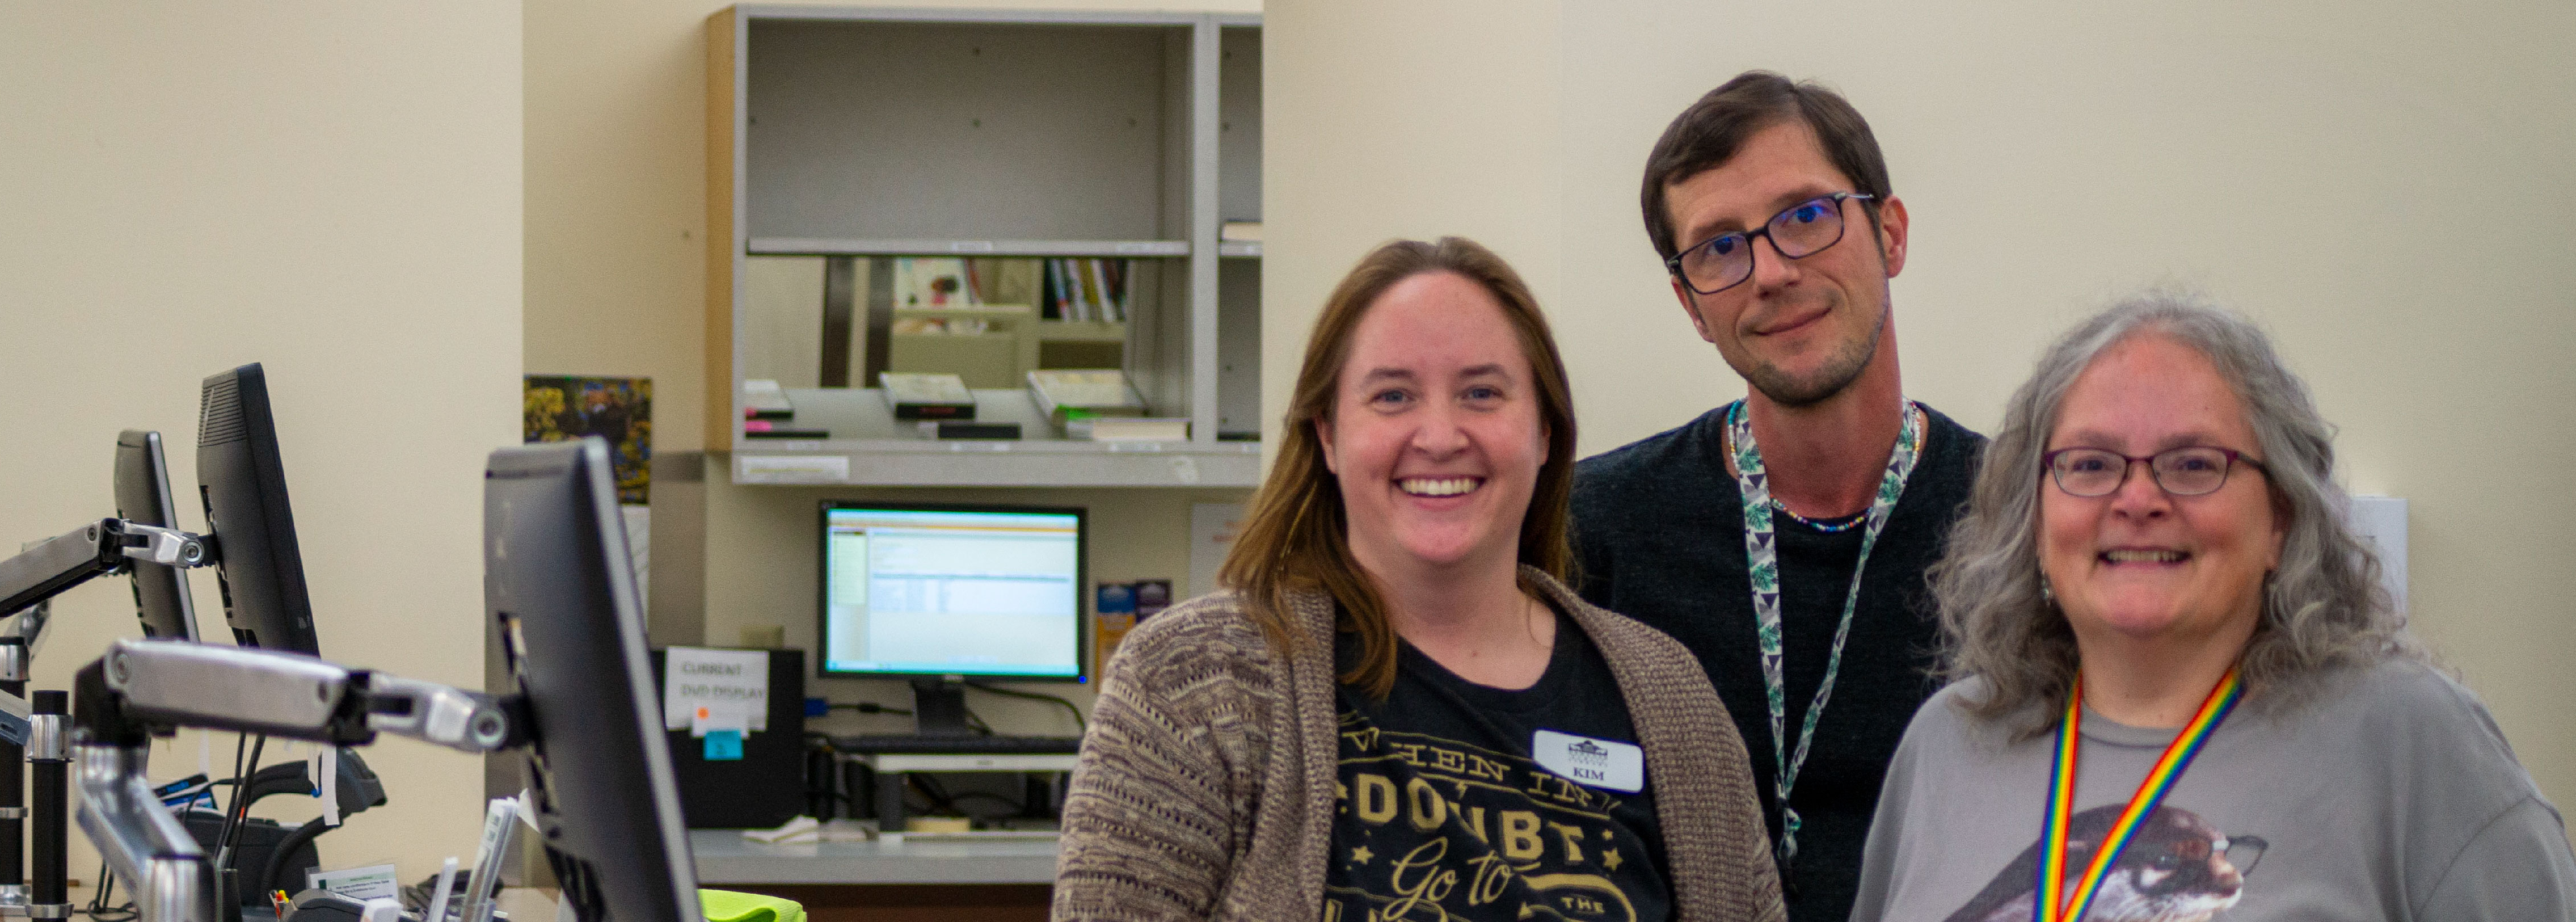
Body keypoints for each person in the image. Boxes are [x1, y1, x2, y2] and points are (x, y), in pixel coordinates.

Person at [1054, 237, 1785, 922]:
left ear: (1546, 434)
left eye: (1482, 393)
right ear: (1329, 434)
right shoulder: (1191, 682)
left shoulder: (1673, 701)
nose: (1439, 437)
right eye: (1393, 396)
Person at [1852, 292, 2576, 921]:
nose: (2137, 500)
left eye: (2195, 463)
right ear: (2035, 522)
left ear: (2282, 519)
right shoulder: (1948, 742)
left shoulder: (2410, 741)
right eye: (2092, 463)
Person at [1571, 70, 1985, 920]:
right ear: (1689, 304)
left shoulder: (2026, 522)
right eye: (1717, 247)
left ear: (1890, 234)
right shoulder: (1590, 531)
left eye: (1804, 217)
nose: (1767, 271)